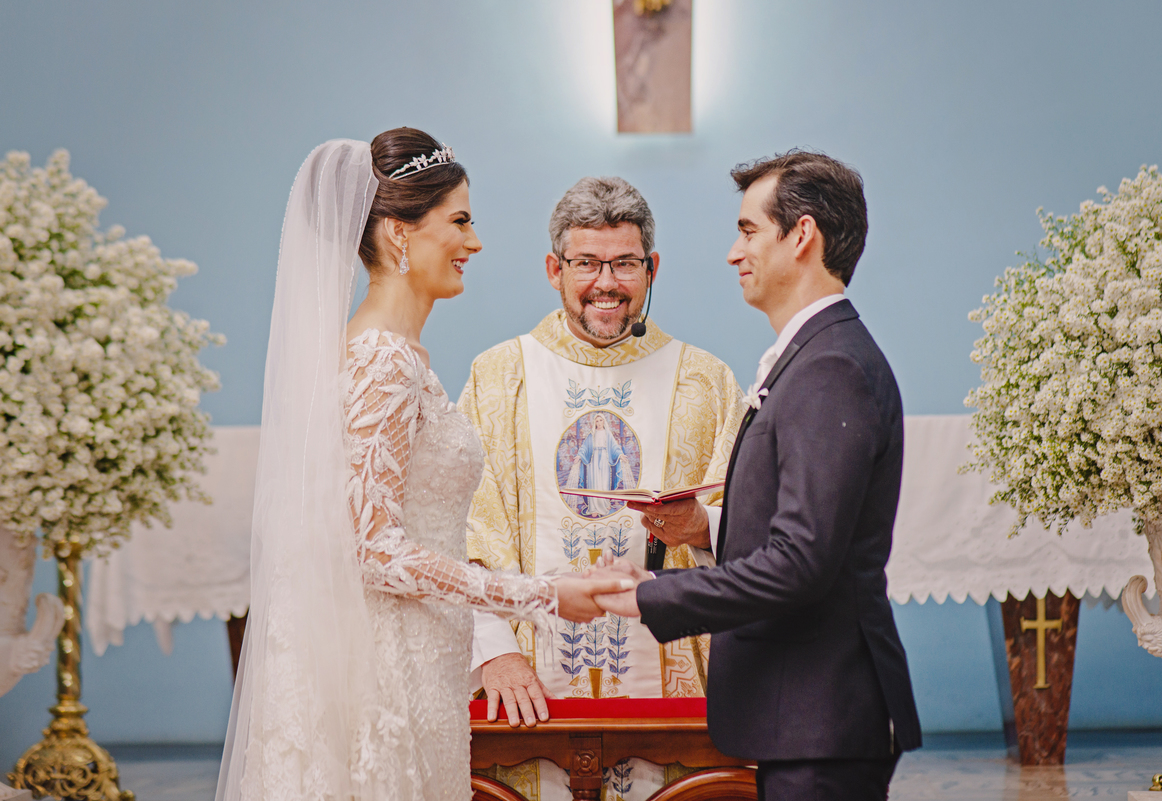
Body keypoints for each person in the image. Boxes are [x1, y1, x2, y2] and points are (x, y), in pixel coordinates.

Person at [215, 130, 628, 801]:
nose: (475, 242)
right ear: (398, 232)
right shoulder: (382, 361)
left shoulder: (399, 355)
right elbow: (375, 551)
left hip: (422, 658)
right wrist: (543, 595)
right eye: (459, 221)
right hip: (389, 669)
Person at [593, 151, 922, 801]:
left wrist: (653, 593)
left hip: (821, 716)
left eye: (748, 230)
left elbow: (802, 561)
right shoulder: (814, 352)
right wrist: (706, 527)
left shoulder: (830, 366)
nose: (732, 253)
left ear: (802, 236)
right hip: (806, 716)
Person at [458, 177, 746, 801]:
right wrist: (494, 652)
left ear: (652, 267)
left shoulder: (706, 383)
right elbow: (468, 531)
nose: (606, 283)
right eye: (587, 263)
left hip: (673, 700)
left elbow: (747, 534)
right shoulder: (499, 377)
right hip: (527, 690)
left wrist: (701, 528)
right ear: (554, 269)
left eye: (625, 263)